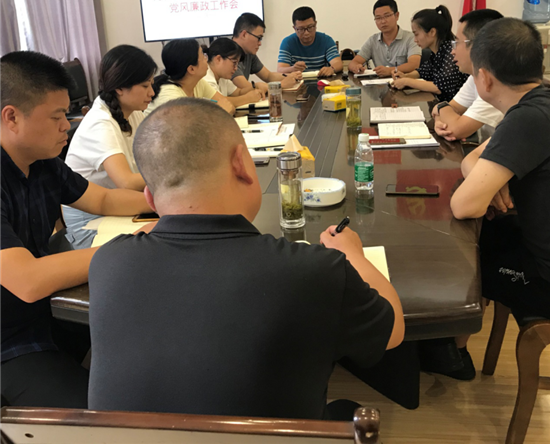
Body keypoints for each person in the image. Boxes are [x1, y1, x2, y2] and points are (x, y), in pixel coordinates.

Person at [88, 98, 405, 419]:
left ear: (149, 198)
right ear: (241, 163)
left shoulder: (108, 262)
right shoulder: (314, 270)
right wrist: (353, 255)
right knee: (347, 411)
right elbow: (393, 332)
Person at [1, 51, 150, 408]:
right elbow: (27, 279)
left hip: (49, 314)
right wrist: (127, 246)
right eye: (56, 117)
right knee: (103, 415)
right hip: (9, 341)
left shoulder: (43, 163)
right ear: (12, 117)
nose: (67, 126)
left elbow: (104, 200)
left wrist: (167, 205)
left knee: (142, 356)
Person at [451, 18, 550, 326]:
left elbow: (464, 205)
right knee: (484, 235)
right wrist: (492, 183)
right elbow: (473, 157)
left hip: (544, 277)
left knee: (460, 261)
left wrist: (486, 184)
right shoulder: (539, 101)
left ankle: (446, 345)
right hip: (536, 241)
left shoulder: (525, 119)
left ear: (484, 78)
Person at [63, 45, 157, 248]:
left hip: (117, 204)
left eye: (151, 84)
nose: (152, 92)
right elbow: (127, 182)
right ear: (120, 88)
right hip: (90, 220)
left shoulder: (133, 112)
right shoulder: (101, 123)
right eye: (145, 86)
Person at [432, 9, 504, 141]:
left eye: (456, 43)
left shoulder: (497, 82)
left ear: (477, 46)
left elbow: (456, 130)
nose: (452, 51)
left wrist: (440, 107)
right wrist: (439, 120)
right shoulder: (475, 76)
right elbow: (453, 108)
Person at [392, 5, 469, 101]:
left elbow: (439, 87)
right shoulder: (436, 51)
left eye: (416, 34)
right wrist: (405, 76)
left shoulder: (451, 52)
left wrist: (407, 81)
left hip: (456, 106)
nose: (415, 40)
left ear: (432, 32)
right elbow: (424, 71)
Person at [145, 38, 235, 116]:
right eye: (203, 56)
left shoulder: (198, 83)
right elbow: (196, 127)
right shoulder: (171, 97)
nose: (206, 59)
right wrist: (221, 113)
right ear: (191, 69)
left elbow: (226, 104)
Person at [348, 0, 421, 77]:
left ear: (397, 16)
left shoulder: (411, 38)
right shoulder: (373, 40)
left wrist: (390, 70)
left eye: (387, 16)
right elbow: (353, 63)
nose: (383, 21)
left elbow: (414, 65)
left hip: (405, 82)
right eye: (378, 18)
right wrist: (356, 67)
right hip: (379, 84)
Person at [232, 13, 302, 95]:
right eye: (259, 38)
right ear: (244, 34)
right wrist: (281, 85)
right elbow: (247, 88)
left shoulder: (248, 53)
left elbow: (268, 76)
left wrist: (291, 76)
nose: (260, 43)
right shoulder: (228, 55)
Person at [277, 6, 343, 77]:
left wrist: (331, 69)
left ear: (315, 24)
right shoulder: (288, 43)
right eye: (301, 29)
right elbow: (280, 70)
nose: (306, 33)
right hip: (297, 81)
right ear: (294, 28)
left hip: (322, 80)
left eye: (310, 27)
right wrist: (293, 68)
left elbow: (338, 63)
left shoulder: (326, 40)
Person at [202, 37, 264, 107]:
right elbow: (220, 102)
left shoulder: (222, 77)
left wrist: (254, 87)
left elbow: (238, 92)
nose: (236, 68)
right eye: (234, 63)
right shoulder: (206, 76)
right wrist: (248, 98)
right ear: (218, 59)